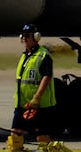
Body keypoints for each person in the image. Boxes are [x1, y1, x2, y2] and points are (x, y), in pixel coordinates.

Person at [8, 23, 57, 151]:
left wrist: (37, 97)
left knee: (42, 138)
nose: (24, 38)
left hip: (40, 105)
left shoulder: (43, 56)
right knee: (15, 136)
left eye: (27, 35)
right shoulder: (24, 56)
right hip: (22, 104)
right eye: (23, 36)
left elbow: (47, 77)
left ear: (36, 37)